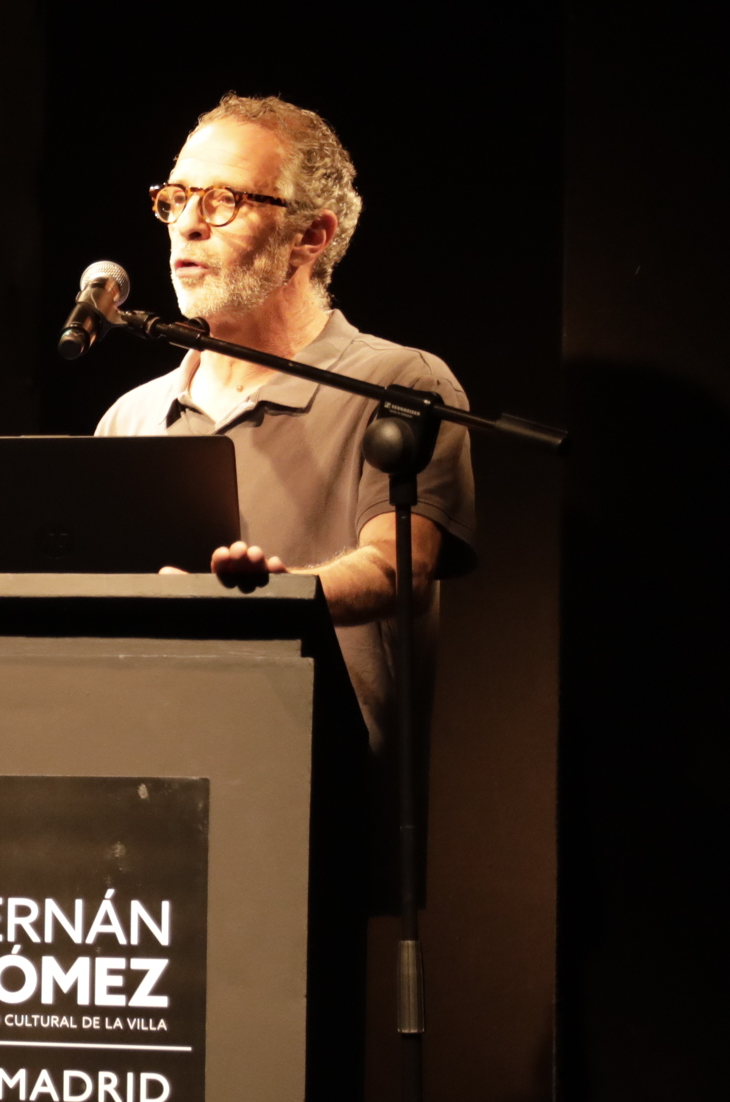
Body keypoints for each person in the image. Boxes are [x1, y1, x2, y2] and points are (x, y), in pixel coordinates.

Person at [97, 94, 477, 754]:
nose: (187, 225)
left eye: (222, 201)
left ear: (310, 236)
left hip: (319, 780)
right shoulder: (132, 417)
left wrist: (273, 597)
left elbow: (399, 568)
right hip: (149, 774)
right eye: (175, 199)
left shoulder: (401, 385)